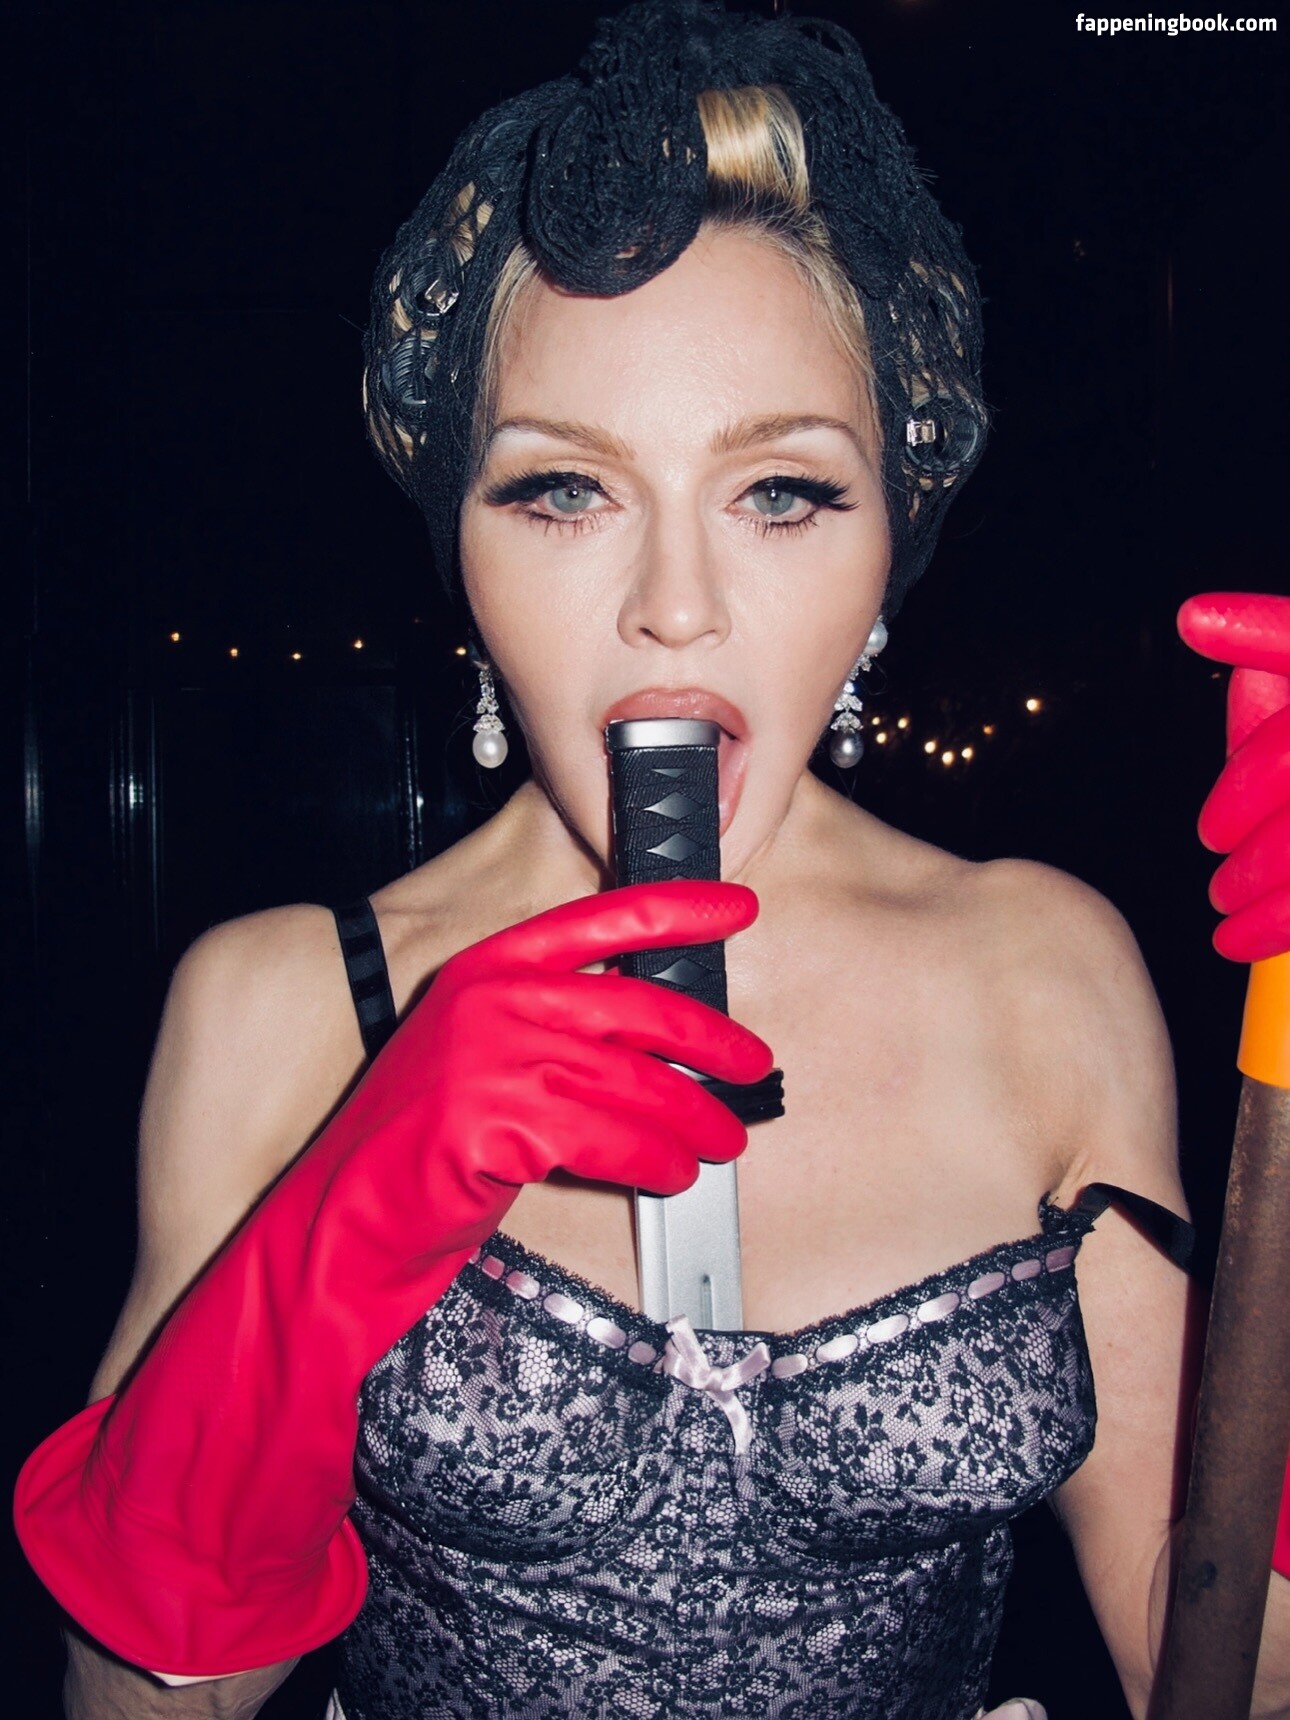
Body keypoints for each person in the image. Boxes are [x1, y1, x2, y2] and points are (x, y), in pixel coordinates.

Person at [14, 3, 1290, 1717]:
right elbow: (140, 1701)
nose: (674, 607)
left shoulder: (1041, 969)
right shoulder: (283, 1008)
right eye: (563, 491)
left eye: (780, 491)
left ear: (889, 545)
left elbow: (1213, 1657)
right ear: (459, 550)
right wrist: (321, 1252)